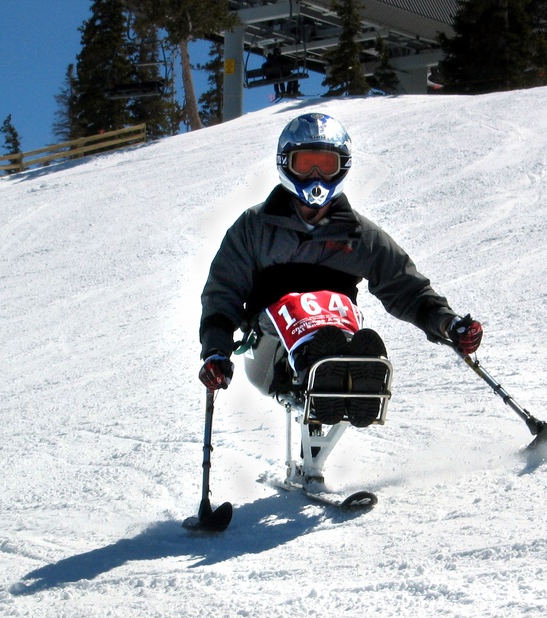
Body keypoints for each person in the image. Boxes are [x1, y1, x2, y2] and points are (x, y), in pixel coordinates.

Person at [198, 112, 482, 427]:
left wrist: (447, 323)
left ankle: (348, 374)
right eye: (305, 165)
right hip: (268, 351)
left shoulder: (358, 235)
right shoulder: (255, 227)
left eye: (326, 166)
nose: (316, 177)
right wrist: (216, 350)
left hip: (338, 336)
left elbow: (405, 286)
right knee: (295, 303)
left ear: (342, 167)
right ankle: (319, 365)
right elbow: (224, 290)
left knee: (337, 307)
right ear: (286, 165)